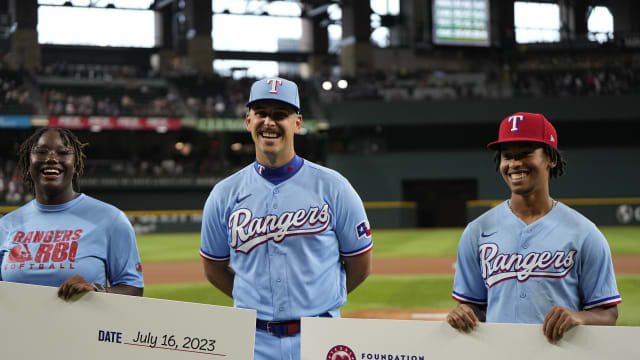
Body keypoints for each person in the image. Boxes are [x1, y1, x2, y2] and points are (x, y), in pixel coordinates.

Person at [200, 77, 373, 360]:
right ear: (248, 120)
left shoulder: (333, 187)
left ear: (297, 123)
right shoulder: (224, 194)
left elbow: (361, 264)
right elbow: (213, 269)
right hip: (252, 341)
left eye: (280, 115)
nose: (269, 122)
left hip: (322, 337)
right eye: (261, 113)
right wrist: (255, 303)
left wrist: (321, 302)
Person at [446, 112, 621, 343]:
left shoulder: (585, 233)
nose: (514, 163)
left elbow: (608, 313)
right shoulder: (477, 231)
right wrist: (464, 312)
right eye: (507, 156)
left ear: (551, 158)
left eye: (526, 153)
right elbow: (474, 305)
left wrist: (579, 317)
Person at [0, 128, 144, 299]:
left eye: (63, 152)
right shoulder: (6, 225)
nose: (51, 158)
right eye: (41, 152)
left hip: (82, 326)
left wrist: (97, 291)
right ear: (28, 163)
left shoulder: (111, 219)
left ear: (75, 165)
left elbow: (133, 289)